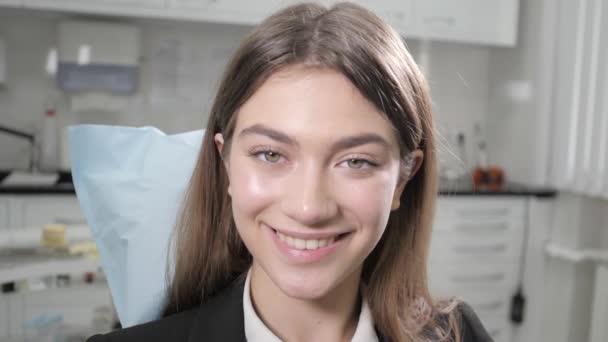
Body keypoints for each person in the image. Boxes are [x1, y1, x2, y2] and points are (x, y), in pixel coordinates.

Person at [88, 2, 492, 341]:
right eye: (270, 154)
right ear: (225, 162)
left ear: (405, 177)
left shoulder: (460, 336)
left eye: (356, 161)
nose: (308, 207)